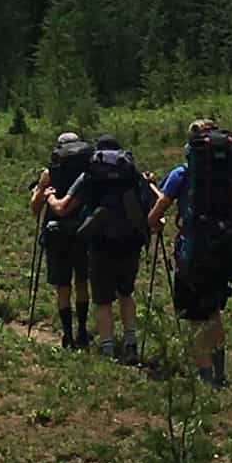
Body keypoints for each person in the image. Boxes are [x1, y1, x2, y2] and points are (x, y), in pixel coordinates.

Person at [149, 117, 232, 387]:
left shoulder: (182, 174)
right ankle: (220, 373)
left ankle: (205, 380)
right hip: (226, 251)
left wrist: (155, 224)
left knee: (194, 317)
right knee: (214, 312)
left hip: (193, 254)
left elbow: (158, 211)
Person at [72, 130, 154, 362]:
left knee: (103, 300)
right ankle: (131, 344)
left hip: (100, 243)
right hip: (129, 243)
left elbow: (72, 202)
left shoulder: (91, 173)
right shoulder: (130, 172)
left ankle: (107, 349)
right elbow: (149, 200)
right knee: (126, 293)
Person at [31, 130, 94, 347]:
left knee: (63, 286)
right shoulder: (90, 172)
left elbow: (34, 208)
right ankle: (83, 330)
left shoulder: (50, 173)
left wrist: (45, 193)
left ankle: (67, 334)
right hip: (85, 231)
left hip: (56, 234)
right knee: (82, 282)